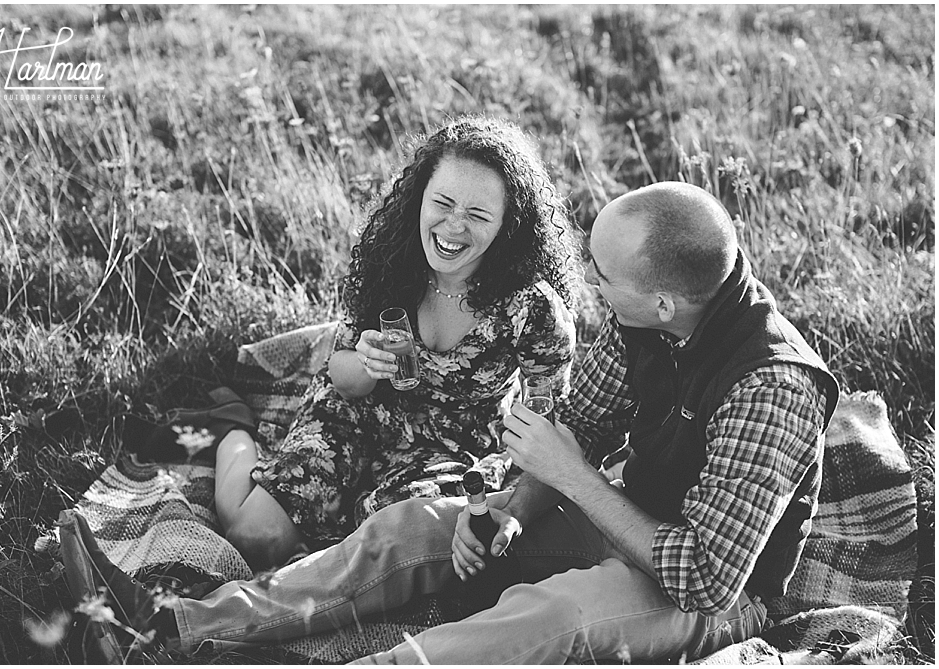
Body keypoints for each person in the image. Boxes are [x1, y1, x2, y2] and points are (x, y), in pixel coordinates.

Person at [70, 181, 838, 663]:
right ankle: (170, 629)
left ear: (665, 301)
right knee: (417, 526)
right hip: (620, 516)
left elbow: (704, 577)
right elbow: (583, 424)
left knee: (550, 616)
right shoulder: (648, 317)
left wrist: (571, 476)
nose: (591, 288)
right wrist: (509, 511)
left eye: (602, 278)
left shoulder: (771, 386)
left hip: (709, 592)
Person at [213, 116, 583, 570]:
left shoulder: (533, 309)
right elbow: (341, 376)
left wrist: (518, 505)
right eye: (442, 203)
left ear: (509, 223)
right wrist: (365, 365)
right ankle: (234, 431)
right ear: (420, 198)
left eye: (479, 215)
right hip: (360, 413)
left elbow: (554, 428)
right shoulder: (388, 261)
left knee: (377, 550)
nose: (453, 226)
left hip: (452, 450)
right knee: (255, 539)